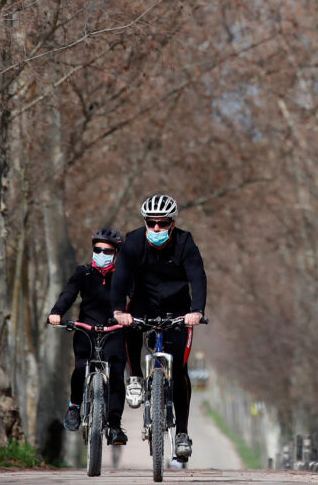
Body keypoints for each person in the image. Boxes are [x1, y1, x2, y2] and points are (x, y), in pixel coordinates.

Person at [111, 194, 206, 460]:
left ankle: (183, 434)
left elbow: (198, 277)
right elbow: (120, 278)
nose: (156, 229)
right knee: (128, 325)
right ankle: (136, 378)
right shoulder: (132, 241)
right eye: (151, 223)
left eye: (162, 224)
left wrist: (197, 311)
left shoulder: (185, 243)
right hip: (142, 306)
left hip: (179, 312)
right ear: (145, 222)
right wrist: (118, 310)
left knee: (181, 369)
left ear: (172, 223)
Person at [48, 228, 128, 445]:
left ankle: (114, 425)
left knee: (117, 375)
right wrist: (56, 313)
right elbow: (68, 294)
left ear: (116, 253)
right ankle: (74, 407)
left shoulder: (124, 275)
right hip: (86, 329)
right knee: (81, 367)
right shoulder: (82, 273)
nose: (101, 254)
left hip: (114, 331)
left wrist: (133, 317)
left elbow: (137, 298)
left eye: (107, 251)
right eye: (97, 249)